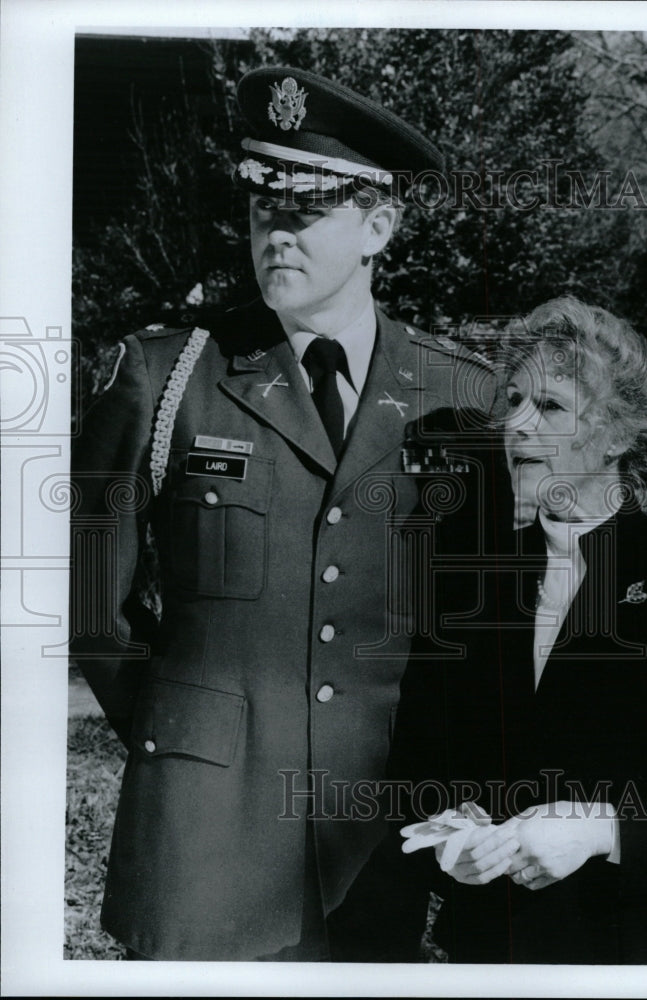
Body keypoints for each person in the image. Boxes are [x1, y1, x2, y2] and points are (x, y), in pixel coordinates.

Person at [69, 65, 494, 961]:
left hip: (378, 833)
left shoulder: (459, 396)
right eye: (264, 209)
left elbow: (481, 623)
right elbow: (86, 601)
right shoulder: (167, 375)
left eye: (305, 212)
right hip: (201, 833)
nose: (276, 235)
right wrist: (182, 731)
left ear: (379, 225)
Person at [332, 295, 647, 964]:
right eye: (512, 404)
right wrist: (453, 833)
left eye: (552, 408)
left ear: (621, 432)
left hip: (640, 956)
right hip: (491, 954)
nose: (518, 428)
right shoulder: (470, 587)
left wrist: (606, 830)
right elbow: (425, 771)